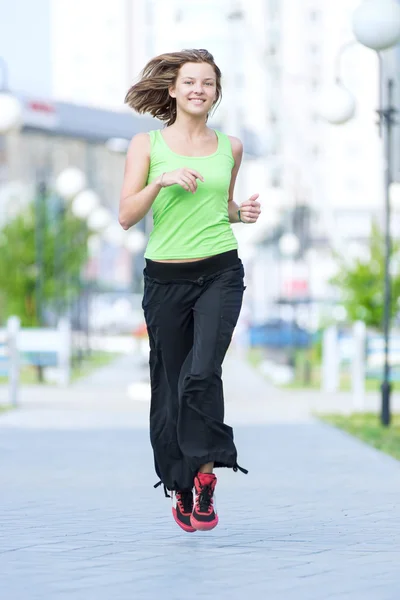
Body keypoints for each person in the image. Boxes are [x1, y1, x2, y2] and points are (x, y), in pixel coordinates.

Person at [119, 49, 261, 533]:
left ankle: (204, 480)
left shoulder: (231, 147)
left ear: (216, 93)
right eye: (191, 82)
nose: (200, 89)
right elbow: (126, 215)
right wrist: (161, 180)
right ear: (174, 90)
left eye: (209, 83)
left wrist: (242, 213)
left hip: (220, 271)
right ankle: (179, 483)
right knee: (171, 383)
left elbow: (221, 208)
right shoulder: (147, 145)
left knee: (202, 373)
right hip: (165, 279)